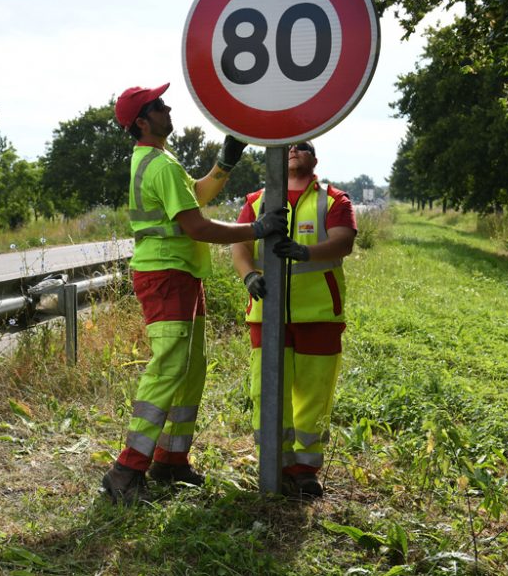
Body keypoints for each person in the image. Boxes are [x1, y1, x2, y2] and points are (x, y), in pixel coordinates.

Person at [101, 82, 288, 504]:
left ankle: (171, 460)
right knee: (170, 368)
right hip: (165, 275)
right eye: (158, 105)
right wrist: (257, 229)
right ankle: (126, 471)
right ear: (143, 122)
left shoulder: (159, 160)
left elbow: (196, 197)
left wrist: (224, 163)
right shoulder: (159, 165)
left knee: (192, 368)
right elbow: (197, 226)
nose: (168, 107)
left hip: (181, 274)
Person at [230, 140, 356, 499]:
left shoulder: (334, 200)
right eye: (289, 147)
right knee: (267, 392)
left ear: (315, 159)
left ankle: (304, 471)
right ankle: (274, 465)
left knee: (314, 396)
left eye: (303, 147)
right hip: (265, 316)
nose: (294, 150)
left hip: (319, 316)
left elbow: (343, 242)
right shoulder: (256, 202)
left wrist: (303, 252)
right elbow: (239, 247)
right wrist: (248, 276)